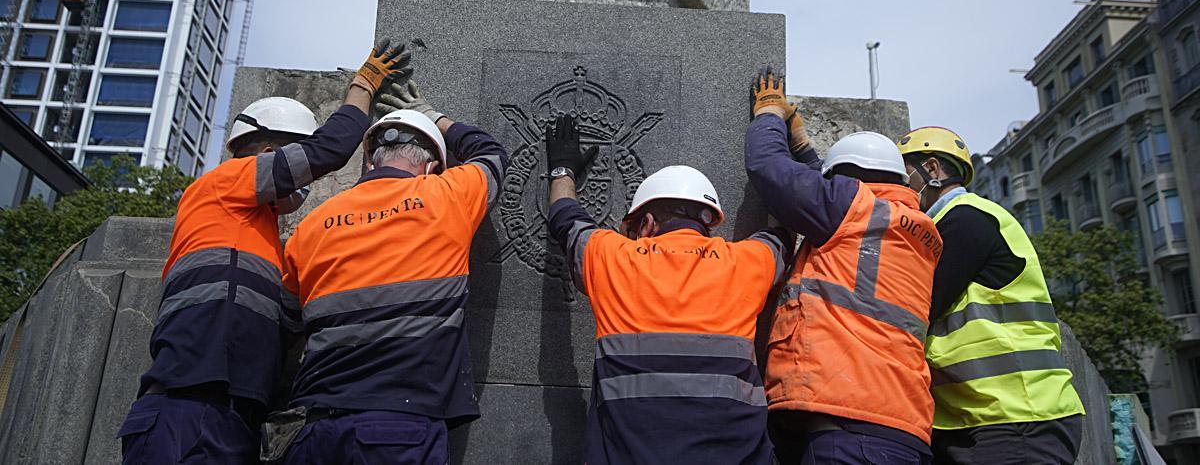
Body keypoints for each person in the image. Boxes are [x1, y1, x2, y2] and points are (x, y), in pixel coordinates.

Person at [118, 40, 411, 464]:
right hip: (187, 412)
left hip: (232, 417)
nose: (302, 184)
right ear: (271, 154)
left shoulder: (256, 232)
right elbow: (330, 149)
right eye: (296, 157)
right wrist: (363, 87)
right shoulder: (223, 184)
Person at [279, 79, 507, 464]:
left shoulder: (311, 226)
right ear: (434, 167)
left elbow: (286, 322)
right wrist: (435, 116)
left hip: (316, 430)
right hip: (400, 429)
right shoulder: (446, 197)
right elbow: (492, 155)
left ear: (369, 161)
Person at [544, 114, 788, 465]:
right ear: (709, 220)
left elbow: (565, 218)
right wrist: (773, 142)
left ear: (646, 223)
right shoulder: (747, 263)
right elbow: (781, 230)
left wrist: (562, 170)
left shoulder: (614, 258)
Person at [744, 69, 941, 464]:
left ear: (842, 179)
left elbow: (768, 168)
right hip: (898, 426)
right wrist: (802, 147)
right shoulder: (915, 228)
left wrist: (767, 114)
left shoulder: (849, 207)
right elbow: (827, 196)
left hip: (851, 431)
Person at [898, 126, 1084, 464]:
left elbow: (916, 306)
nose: (900, 186)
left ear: (932, 169)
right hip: (986, 417)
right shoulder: (954, 223)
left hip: (1016, 418)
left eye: (904, 174)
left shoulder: (966, 220)